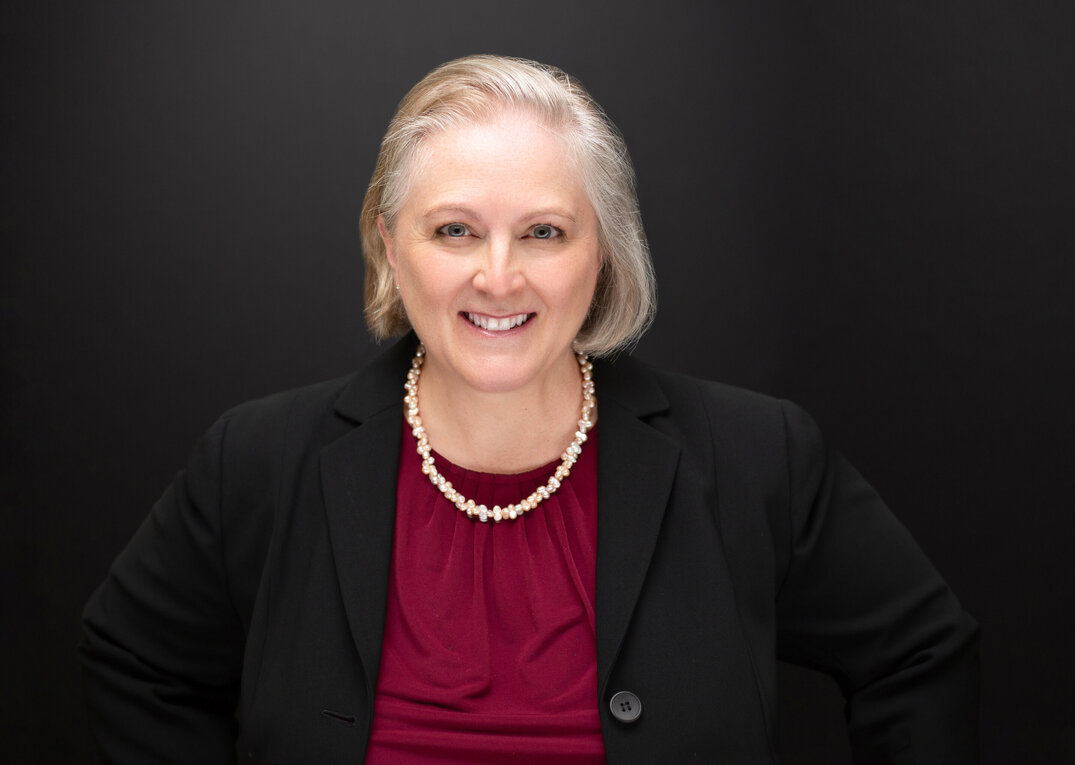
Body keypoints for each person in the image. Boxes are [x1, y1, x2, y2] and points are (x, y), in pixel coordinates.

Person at [80, 55, 979, 764]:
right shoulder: (258, 459)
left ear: (605, 255)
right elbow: (134, 658)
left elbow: (921, 654)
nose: (498, 276)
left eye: (544, 231)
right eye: (455, 229)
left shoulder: (757, 455)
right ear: (391, 248)